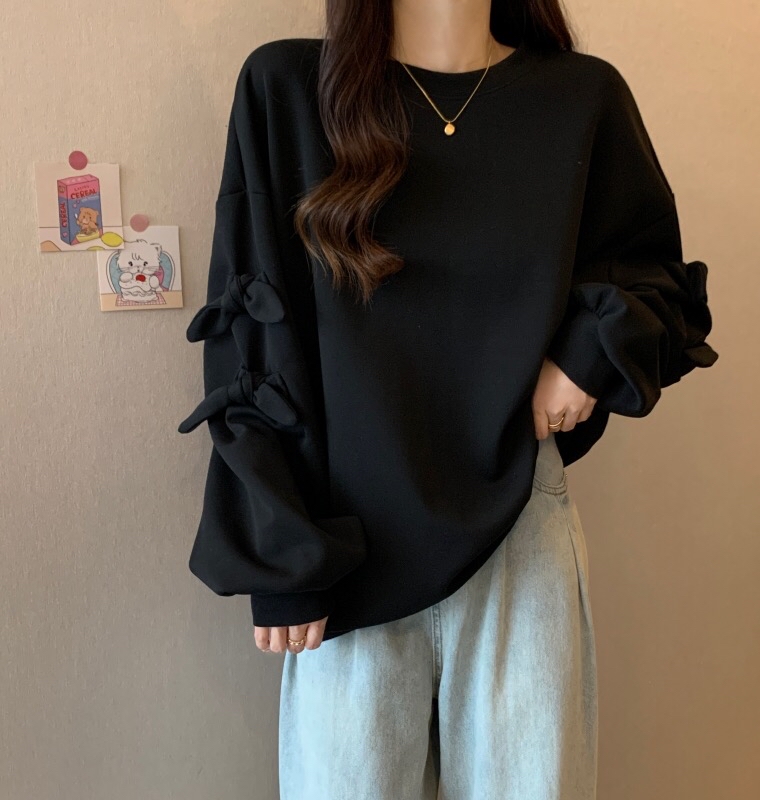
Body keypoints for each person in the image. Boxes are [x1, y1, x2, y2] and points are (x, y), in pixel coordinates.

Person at [177, 0, 719, 797]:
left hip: (520, 526)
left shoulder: (581, 96)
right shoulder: (287, 87)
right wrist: (282, 550)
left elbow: (655, 275)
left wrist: (585, 355)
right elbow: (253, 332)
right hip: (342, 539)